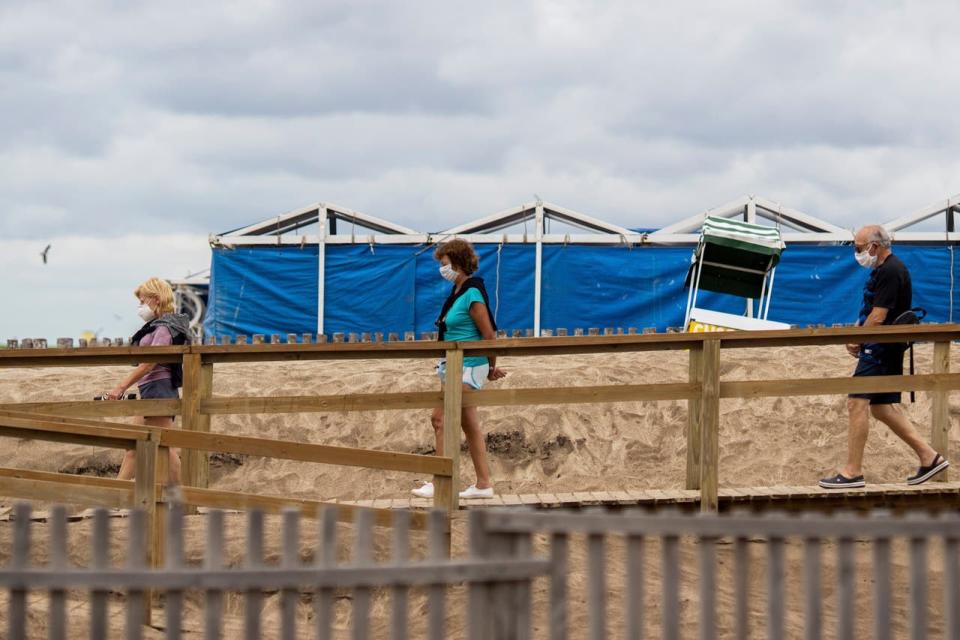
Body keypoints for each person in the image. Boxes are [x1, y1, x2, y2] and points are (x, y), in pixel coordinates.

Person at [819, 225, 949, 488]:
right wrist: (858, 331)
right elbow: (871, 311)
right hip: (884, 347)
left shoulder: (891, 270)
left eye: (858, 248)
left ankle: (852, 471)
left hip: (880, 349)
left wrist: (858, 338)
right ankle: (929, 457)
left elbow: (879, 315)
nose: (857, 253)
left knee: (857, 402)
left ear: (873, 247)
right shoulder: (886, 269)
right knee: (880, 407)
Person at [412, 239, 507, 499]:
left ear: (456, 262)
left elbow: (489, 335)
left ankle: (440, 480)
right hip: (453, 365)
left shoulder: (472, 293)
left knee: (440, 419)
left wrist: (490, 367)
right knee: (470, 426)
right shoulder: (457, 292)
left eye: (444, 264)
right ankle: (484, 484)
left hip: (468, 365)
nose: (442, 269)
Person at [105, 277, 192, 483]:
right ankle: (116, 494)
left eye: (143, 301)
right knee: (135, 446)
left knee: (165, 447)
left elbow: (149, 363)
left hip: (159, 388)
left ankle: (179, 496)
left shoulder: (164, 328)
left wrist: (120, 387)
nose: (140, 306)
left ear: (156, 299)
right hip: (151, 388)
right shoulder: (159, 326)